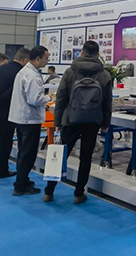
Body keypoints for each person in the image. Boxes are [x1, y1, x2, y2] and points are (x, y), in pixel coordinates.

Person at [43, 41, 112, 204]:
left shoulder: (70, 71)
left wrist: (58, 120)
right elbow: (107, 102)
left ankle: (49, 192)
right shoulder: (104, 74)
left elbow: (61, 97)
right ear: (98, 54)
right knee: (86, 157)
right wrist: (106, 123)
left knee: (61, 155)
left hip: (70, 119)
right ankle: (79, 193)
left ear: (82, 52)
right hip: (93, 121)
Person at [0, 48, 31, 178]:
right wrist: (0, 100)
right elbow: (13, 91)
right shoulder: (20, 73)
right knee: (6, 142)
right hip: (9, 109)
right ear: (25, 60)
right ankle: (2, 169)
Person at [9, 45, 51, 195]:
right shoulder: (32, 75)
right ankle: (20, 185)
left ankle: (22, 180)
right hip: (29, 119)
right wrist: (48, 98)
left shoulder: (24, 72)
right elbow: (34, 99)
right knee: (28, 154)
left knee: (23, 152)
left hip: (22, 118)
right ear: (38, 58)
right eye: (46, 58)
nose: (47, 61)